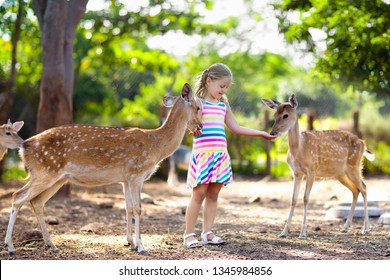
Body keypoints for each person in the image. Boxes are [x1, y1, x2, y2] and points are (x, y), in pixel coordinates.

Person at [183, 63, 278, 248]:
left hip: (220, 156)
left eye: (227, 87)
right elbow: (192, 123)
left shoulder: (223, 105)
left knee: (213, 194)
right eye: (221, 86)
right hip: (203, 156)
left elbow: (236, 128)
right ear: (209, 81)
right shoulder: (198, 102)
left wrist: (261, 133)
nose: (224, 90)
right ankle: (188, 234)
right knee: (199, 193)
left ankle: (207, 233)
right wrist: (193, 129)